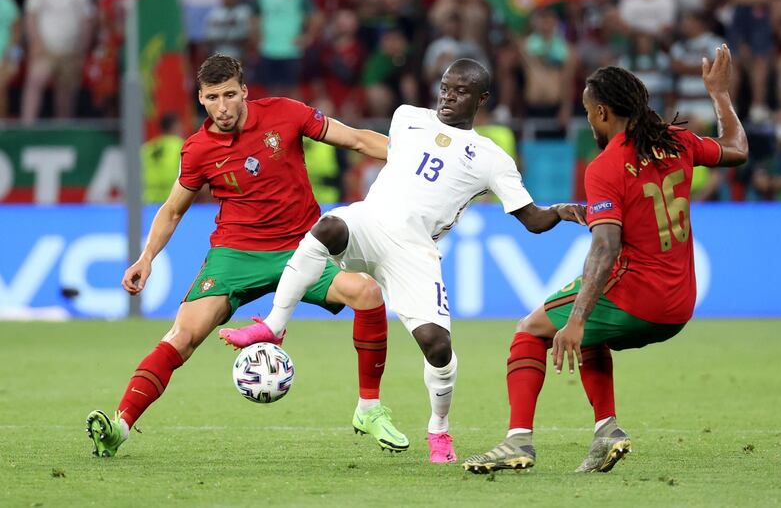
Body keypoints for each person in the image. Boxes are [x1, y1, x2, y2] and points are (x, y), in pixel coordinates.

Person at [219, 58, 587, 463]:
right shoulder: (407, 116)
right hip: (370, 221)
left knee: (437, 347)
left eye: (461, 91)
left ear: (482, 99)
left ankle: (439, 431)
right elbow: (386, 154)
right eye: (445, 87)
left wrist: (561, 211)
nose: (448, 96)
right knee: (326, 227)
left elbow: (531, 219)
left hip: (414, 252)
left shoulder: (491, 158)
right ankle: (274, 325)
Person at [86, 54, 407, 457]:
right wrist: (146, 256)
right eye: (213, 97)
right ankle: (120, 427)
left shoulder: (286, 114)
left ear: (245, 92)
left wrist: (416, 162)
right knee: (182, 336)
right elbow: (172, 210)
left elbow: (358, 139)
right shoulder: (198, 150)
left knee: (368, 293)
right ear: (200, 99)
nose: (223, 107)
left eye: (230, 95)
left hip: (302, 248)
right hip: (235, 254)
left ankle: (370, 410)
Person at [462, 44, 748, 474]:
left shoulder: (605, 167)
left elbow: (605, 247)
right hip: (681, 304)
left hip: (638, 295)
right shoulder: (678, 141)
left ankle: (517, 441)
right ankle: (606, 431)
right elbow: (737, 149)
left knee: (530, 330)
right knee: (590, 334)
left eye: (587, 111)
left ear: (600, 113)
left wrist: (575, 319)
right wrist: (720, 95)